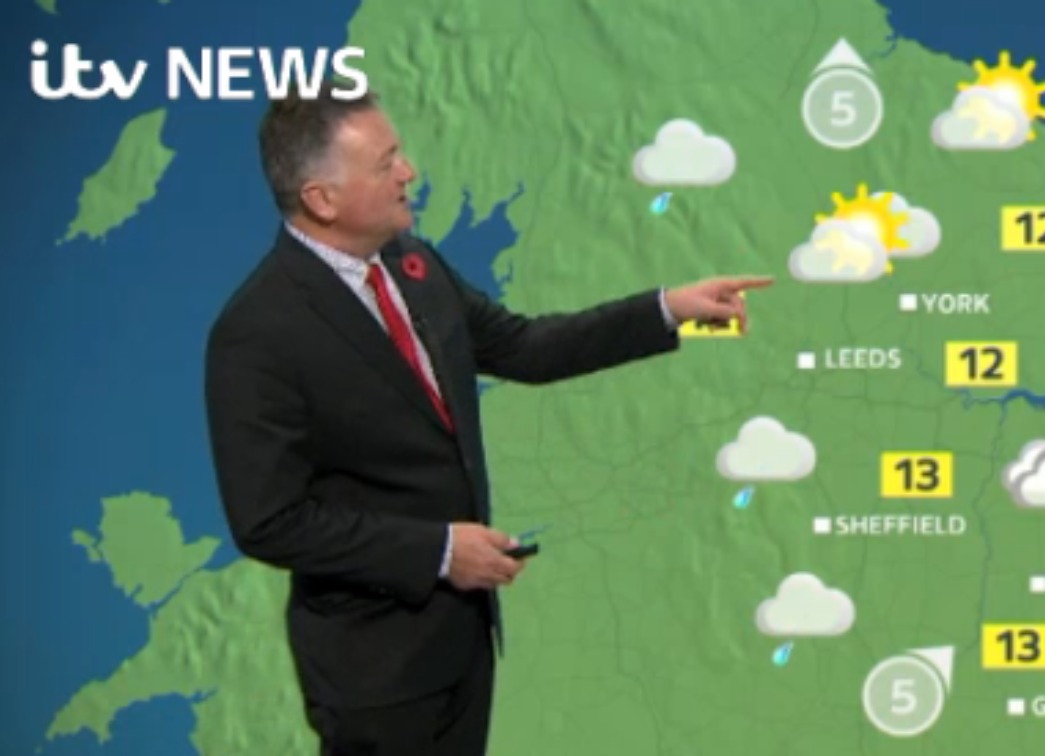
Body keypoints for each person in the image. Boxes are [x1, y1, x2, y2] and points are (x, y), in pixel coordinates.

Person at [202, 79, 772, 755]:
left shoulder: (413, 265)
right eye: (386, 163)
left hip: (462, 646)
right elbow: (270, 521)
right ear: (321, 199)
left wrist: (668, 310)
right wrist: (440, 552)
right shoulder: (259, 331)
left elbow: (523, 347)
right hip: (374, 673)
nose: (409, 172)